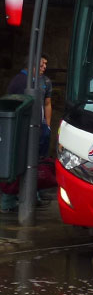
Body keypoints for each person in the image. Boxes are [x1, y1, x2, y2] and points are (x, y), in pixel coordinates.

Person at [1, 54, 52, 213]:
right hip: (24, 130)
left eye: (45, 65)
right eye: (42, 64)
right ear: (32, 65)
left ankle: (29, 195)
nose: (44, 67)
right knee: (21, 164)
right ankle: (8, 201)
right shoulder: (22, 81)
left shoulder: (33, 81)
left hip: (32, 129)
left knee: (30, 163)